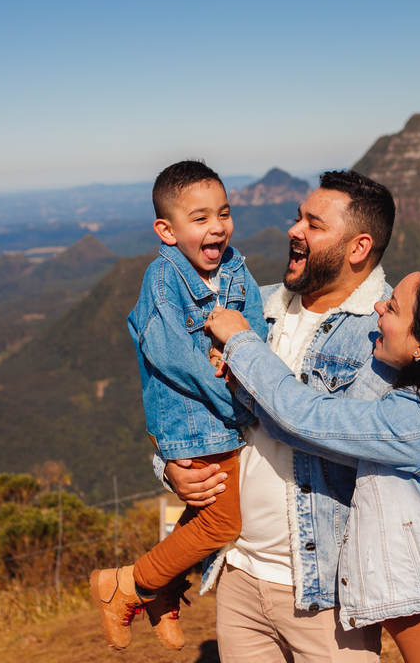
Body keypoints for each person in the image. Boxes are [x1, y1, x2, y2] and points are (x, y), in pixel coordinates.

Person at [205, 264, 420, 663]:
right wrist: (241, 386)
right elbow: (311, 434)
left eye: (393, 307)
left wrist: (243, 344)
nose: (378, 307)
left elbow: (308, 415)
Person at [162, 170, 397, 662]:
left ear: (358, 248)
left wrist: (243, 347)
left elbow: (332, 434)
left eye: (313, 224)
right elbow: (182, 395)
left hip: (327, 590)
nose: (294, 231)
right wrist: (173, 470)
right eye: (297, 217)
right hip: (239, 571)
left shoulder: (383, 336)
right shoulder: (254, 304)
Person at [89, 160, 268, 652]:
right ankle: (128, 584)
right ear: (166, 231)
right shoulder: (163, 280)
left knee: (213, 510)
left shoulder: (235, 266)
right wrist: (242, 400)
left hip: (224, 410)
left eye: (224, 213)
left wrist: (246, 353)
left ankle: (159, 587)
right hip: (192, 416)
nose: (217, 226)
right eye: (200, 217)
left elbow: (255, 325)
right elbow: (173, 358)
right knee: (224, 521)